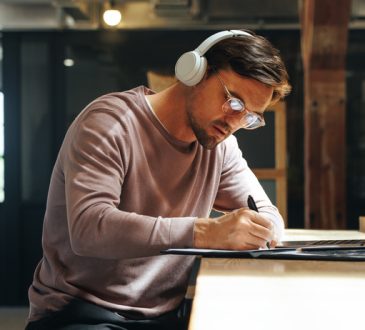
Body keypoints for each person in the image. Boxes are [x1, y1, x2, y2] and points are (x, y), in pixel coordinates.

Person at [25, 29, 291, 330]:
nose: (235, 123)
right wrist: (205, 232)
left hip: (163, 316)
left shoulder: (220, 147)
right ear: (195, 72)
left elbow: (268, 215)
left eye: (249, 117)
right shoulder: (109, 125)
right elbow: (89, 229)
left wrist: (262, 228)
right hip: (81, 312)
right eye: (233, 103)